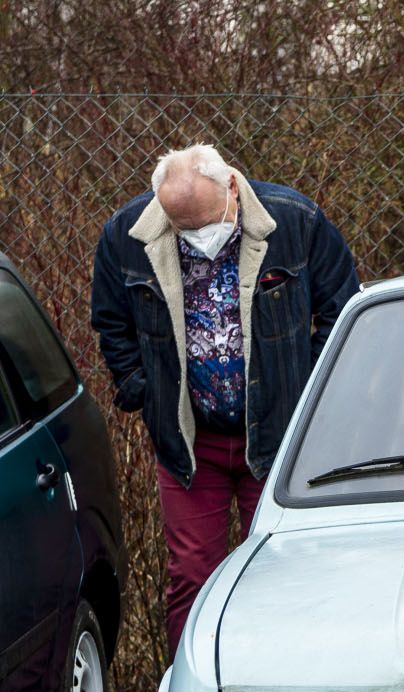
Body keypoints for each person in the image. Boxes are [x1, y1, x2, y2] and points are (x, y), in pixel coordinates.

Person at [91, 145, 360, 648]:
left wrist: (312, 395)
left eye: (206, 223)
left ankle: (286, 683)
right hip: (190, 445)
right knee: (193, 576)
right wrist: (139, 390)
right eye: (183, 228)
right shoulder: (125, 237)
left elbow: (342, 309)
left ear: (232, 189)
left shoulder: (295, 221)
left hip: (281, 437)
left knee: (286, 569)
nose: (198, 237)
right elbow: (111, 321)